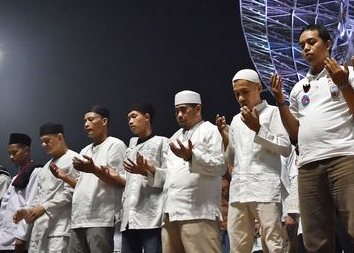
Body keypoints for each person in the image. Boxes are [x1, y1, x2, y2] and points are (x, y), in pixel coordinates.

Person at [270, 24, 354, 252]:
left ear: (328, 44)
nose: (306, 49)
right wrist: (281, 101)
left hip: (345, 159)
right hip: (309, 167)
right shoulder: (298, 89)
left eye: (311, 42)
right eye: (302, 45)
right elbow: (295, 134)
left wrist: (342, 82)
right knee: (316, 239)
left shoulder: (346, 74)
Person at [216, 69, 292, 253]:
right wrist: (225, 137)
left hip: (264, 188)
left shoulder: (273, 113)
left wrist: (258, 129)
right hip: (239, 190)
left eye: (245, 92)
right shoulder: (235, 120)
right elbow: (233, 158)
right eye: (236, 94)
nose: (241, 98)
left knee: (273, 243)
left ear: (258, 88)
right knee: (238, 245)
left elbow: (285, 147)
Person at [145, 90, 227, 252]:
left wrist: (191, 156)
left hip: (199, 212)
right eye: (176, 111)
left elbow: (220, 166)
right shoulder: (174, 137)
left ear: (198, 109)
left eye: (183, 110)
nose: (179, 115)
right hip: (171, 212)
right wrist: (151, 170)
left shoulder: (210, 130)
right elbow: (170, 176)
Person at [69, 105, 127, 253]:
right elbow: (83, 184)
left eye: (91, 119)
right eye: (84, 121)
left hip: (100, 217)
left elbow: (119, 181)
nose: (86, 124)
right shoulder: (85, 150)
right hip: (79, 217)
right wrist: (63, 177)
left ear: (104, 121)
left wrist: (93, 169)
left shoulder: (115, 145)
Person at [14, 122, 80, 253]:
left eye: (47, 140)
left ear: (60, 137)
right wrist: (27, 210)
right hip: (41, 228)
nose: (44, 145)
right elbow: (39, 197)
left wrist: (44, 207)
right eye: (42, 142)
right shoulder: (45, 167)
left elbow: (73, 192)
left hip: (60, 227)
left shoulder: (74, 159)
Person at [120, 102, 168, 253]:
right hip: (129, 219)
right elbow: (128, 183)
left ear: (147, 117)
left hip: (151, 218)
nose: (130, 121)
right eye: (128, 118)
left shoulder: (162, 142)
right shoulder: (130, 149)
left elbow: (169, 176)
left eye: (134, 116)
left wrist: (147, 171)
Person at [0, 133, 41, 252]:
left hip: (18, 241)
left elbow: (31, 204)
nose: (11, 156)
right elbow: (4, 211)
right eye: (9, 153)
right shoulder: (15, 178)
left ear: (26, 150)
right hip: (5, 240)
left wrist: (22, 237)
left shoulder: (35, 172)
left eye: (14, 152)